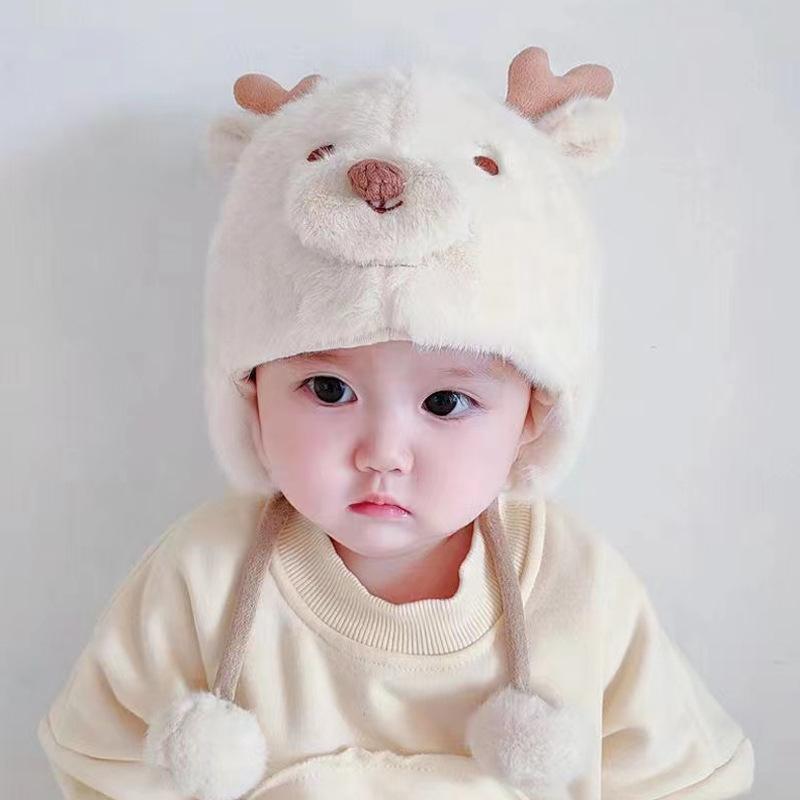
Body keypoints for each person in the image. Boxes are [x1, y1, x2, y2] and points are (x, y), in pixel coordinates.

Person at [37, 46, 755, 799]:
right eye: (327, 388)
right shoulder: (200, 577)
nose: (383, 454)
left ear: (533, 415)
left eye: (445, 403)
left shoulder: (578, 588)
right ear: (251, 395)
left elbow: (680, 781)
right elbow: (100, 766)